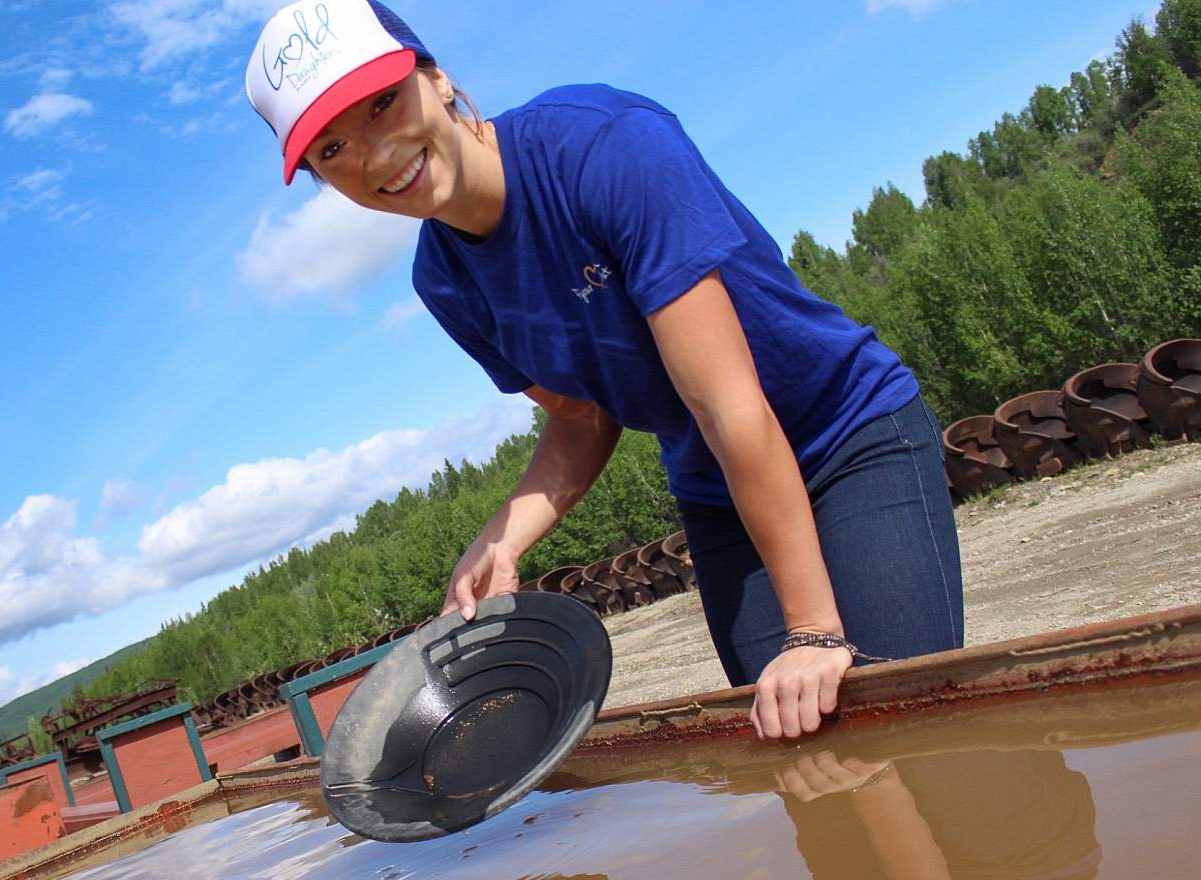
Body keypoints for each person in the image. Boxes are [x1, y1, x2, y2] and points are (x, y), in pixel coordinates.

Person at [245, 0, 963, 741]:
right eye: (331, 151)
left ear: (438, 78)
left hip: (844, 433)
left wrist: (813, 630)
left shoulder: (602, 149)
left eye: (384, 103)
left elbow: (724, 403)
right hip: (717, 493)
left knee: (908, 733)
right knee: (809, 756)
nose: (373, 153)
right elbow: (581, 416)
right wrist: (506, 535)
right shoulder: (445, 283)